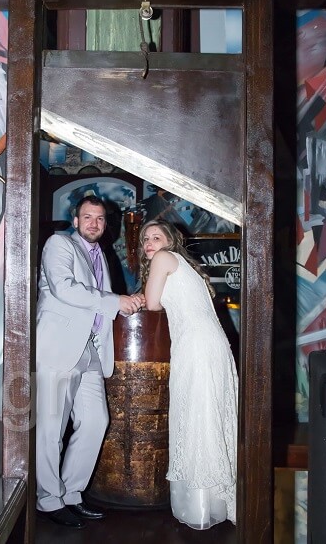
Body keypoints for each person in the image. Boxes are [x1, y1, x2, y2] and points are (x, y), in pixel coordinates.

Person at [35, 195, 143, 528]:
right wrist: (116, 301)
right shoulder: (59, 244)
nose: (94, 223)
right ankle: (48, 500)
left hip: (91, 349)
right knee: (51, 428)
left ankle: (71, 493)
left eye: (99, 218)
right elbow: (64, 288)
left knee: (96, 421)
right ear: (76, 220)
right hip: (59, 346)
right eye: (87, 217)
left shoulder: (101, 254)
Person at [139, 219, 238, 529]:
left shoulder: (163, 258)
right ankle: (215, 500)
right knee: (206, 415)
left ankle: (201, 507)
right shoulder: (182, 264)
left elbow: (152, 303)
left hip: (196, 346)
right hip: (209, 344)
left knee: (197, 416)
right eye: (145, 239)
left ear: (170, 240)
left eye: (156, 237)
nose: (149, 243)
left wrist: (139, 297)